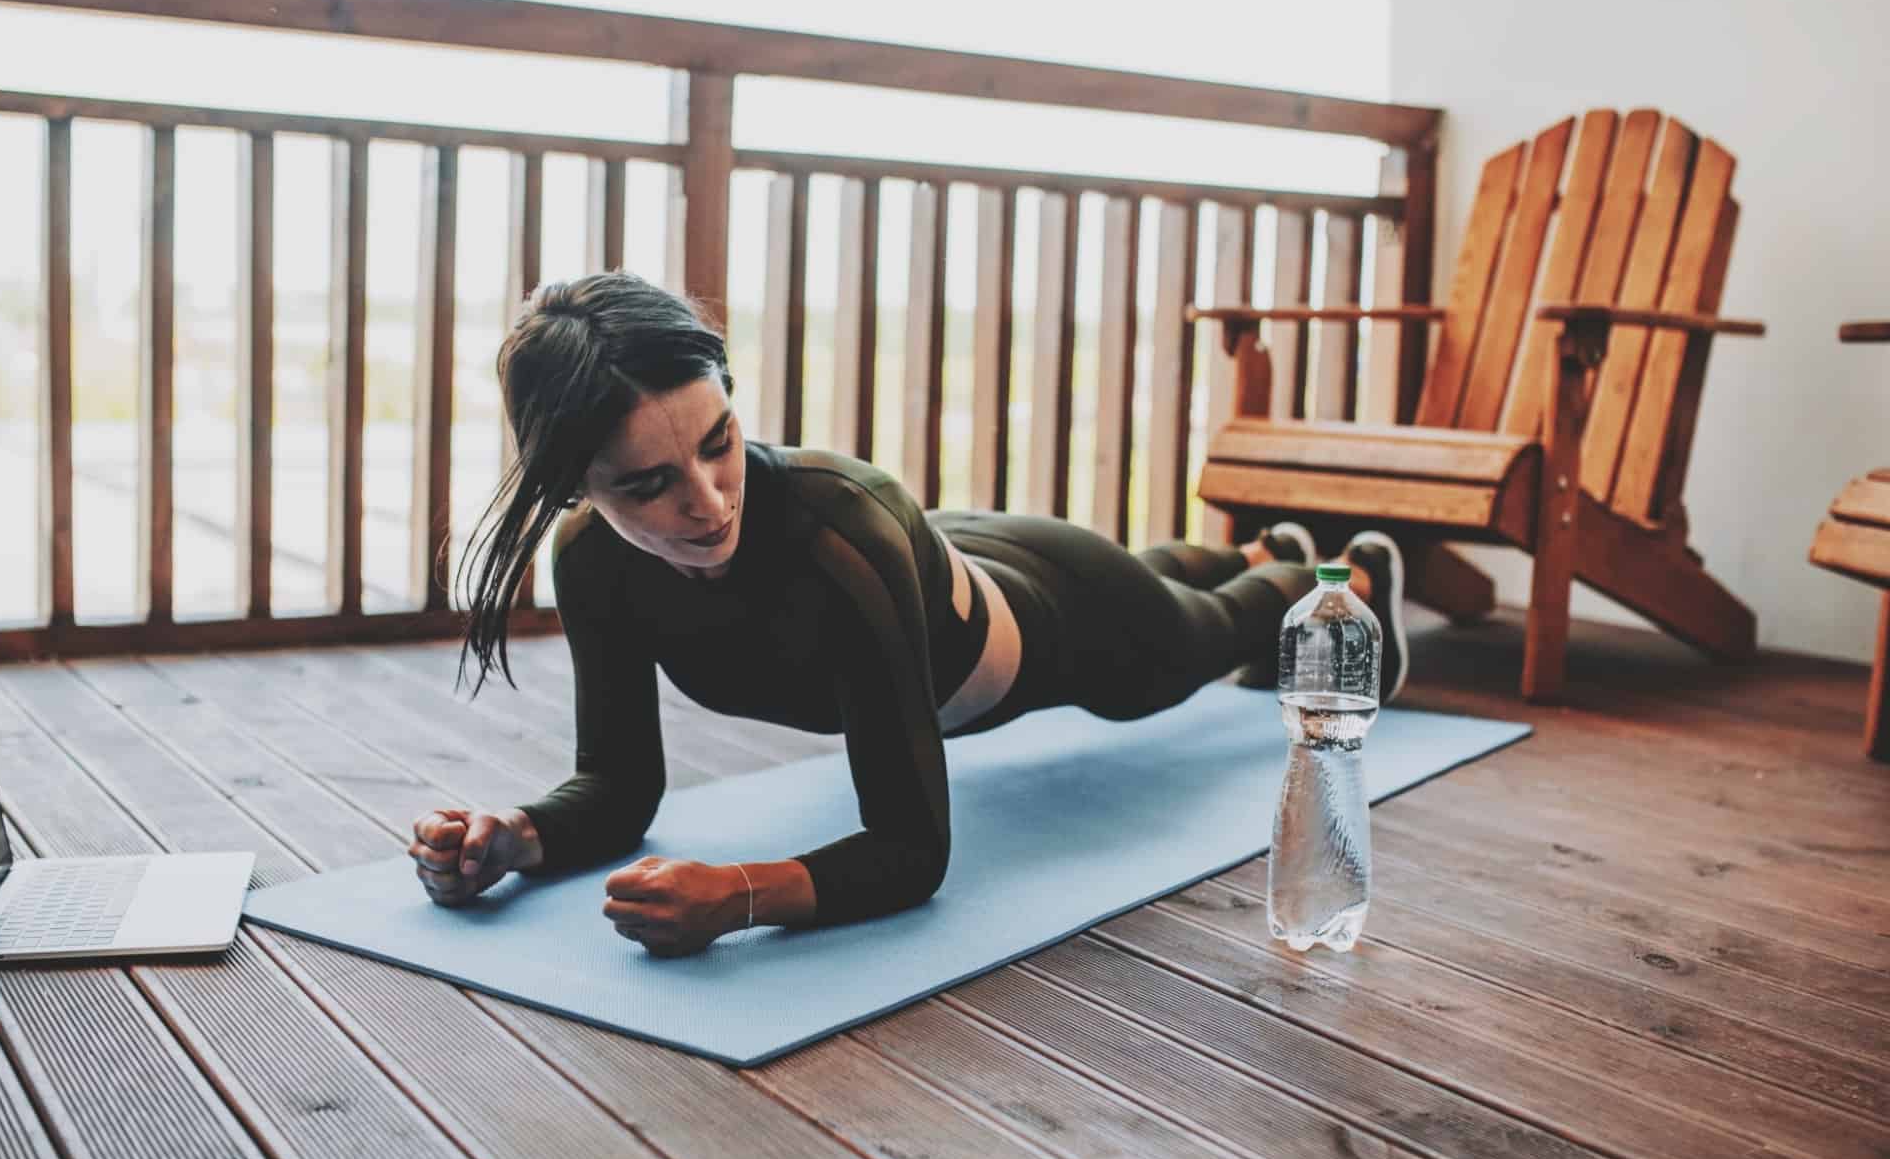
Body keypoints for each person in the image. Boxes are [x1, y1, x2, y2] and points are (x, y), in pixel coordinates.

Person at [408, 271, 1407, 957]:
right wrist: (515, 838)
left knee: (1197, 635)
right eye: (648, 485)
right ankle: (1252, 550)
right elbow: (617, 786)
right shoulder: (591, 559)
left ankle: (1324, 580)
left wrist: (741, 898)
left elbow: (911, 851)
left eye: (719, 442)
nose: (708, 503)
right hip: (944, 555)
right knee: (1170, 581)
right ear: (576, 485)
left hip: (1065, 618)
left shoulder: (834, 533)